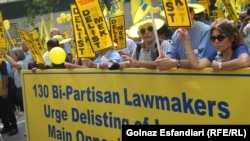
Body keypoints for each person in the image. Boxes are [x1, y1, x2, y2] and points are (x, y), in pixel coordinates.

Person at [155, 6, 216, 70]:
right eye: (174, 14)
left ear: (192, 14)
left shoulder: (206, 31)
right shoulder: (176, 34)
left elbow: (201, 62)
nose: (177, 18)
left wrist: (176, 63)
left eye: (181, 14)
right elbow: (171, 56)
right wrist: (164, 60)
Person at [177, 18, 250, 71]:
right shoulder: (216, 54)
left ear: (231, 38)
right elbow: (197, 65)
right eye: (213, 38)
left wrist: (220, 66)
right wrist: (186, 42)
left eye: (220, 37)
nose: (216, 41)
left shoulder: (240, 48)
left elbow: (245, 61)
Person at [0, 55, 18, 136]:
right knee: (1, 108)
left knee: (7, 107)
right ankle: (6, 125)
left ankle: (14, 127)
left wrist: (5, 89)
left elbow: (5, 75)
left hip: (5, 84)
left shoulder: (2, 60)